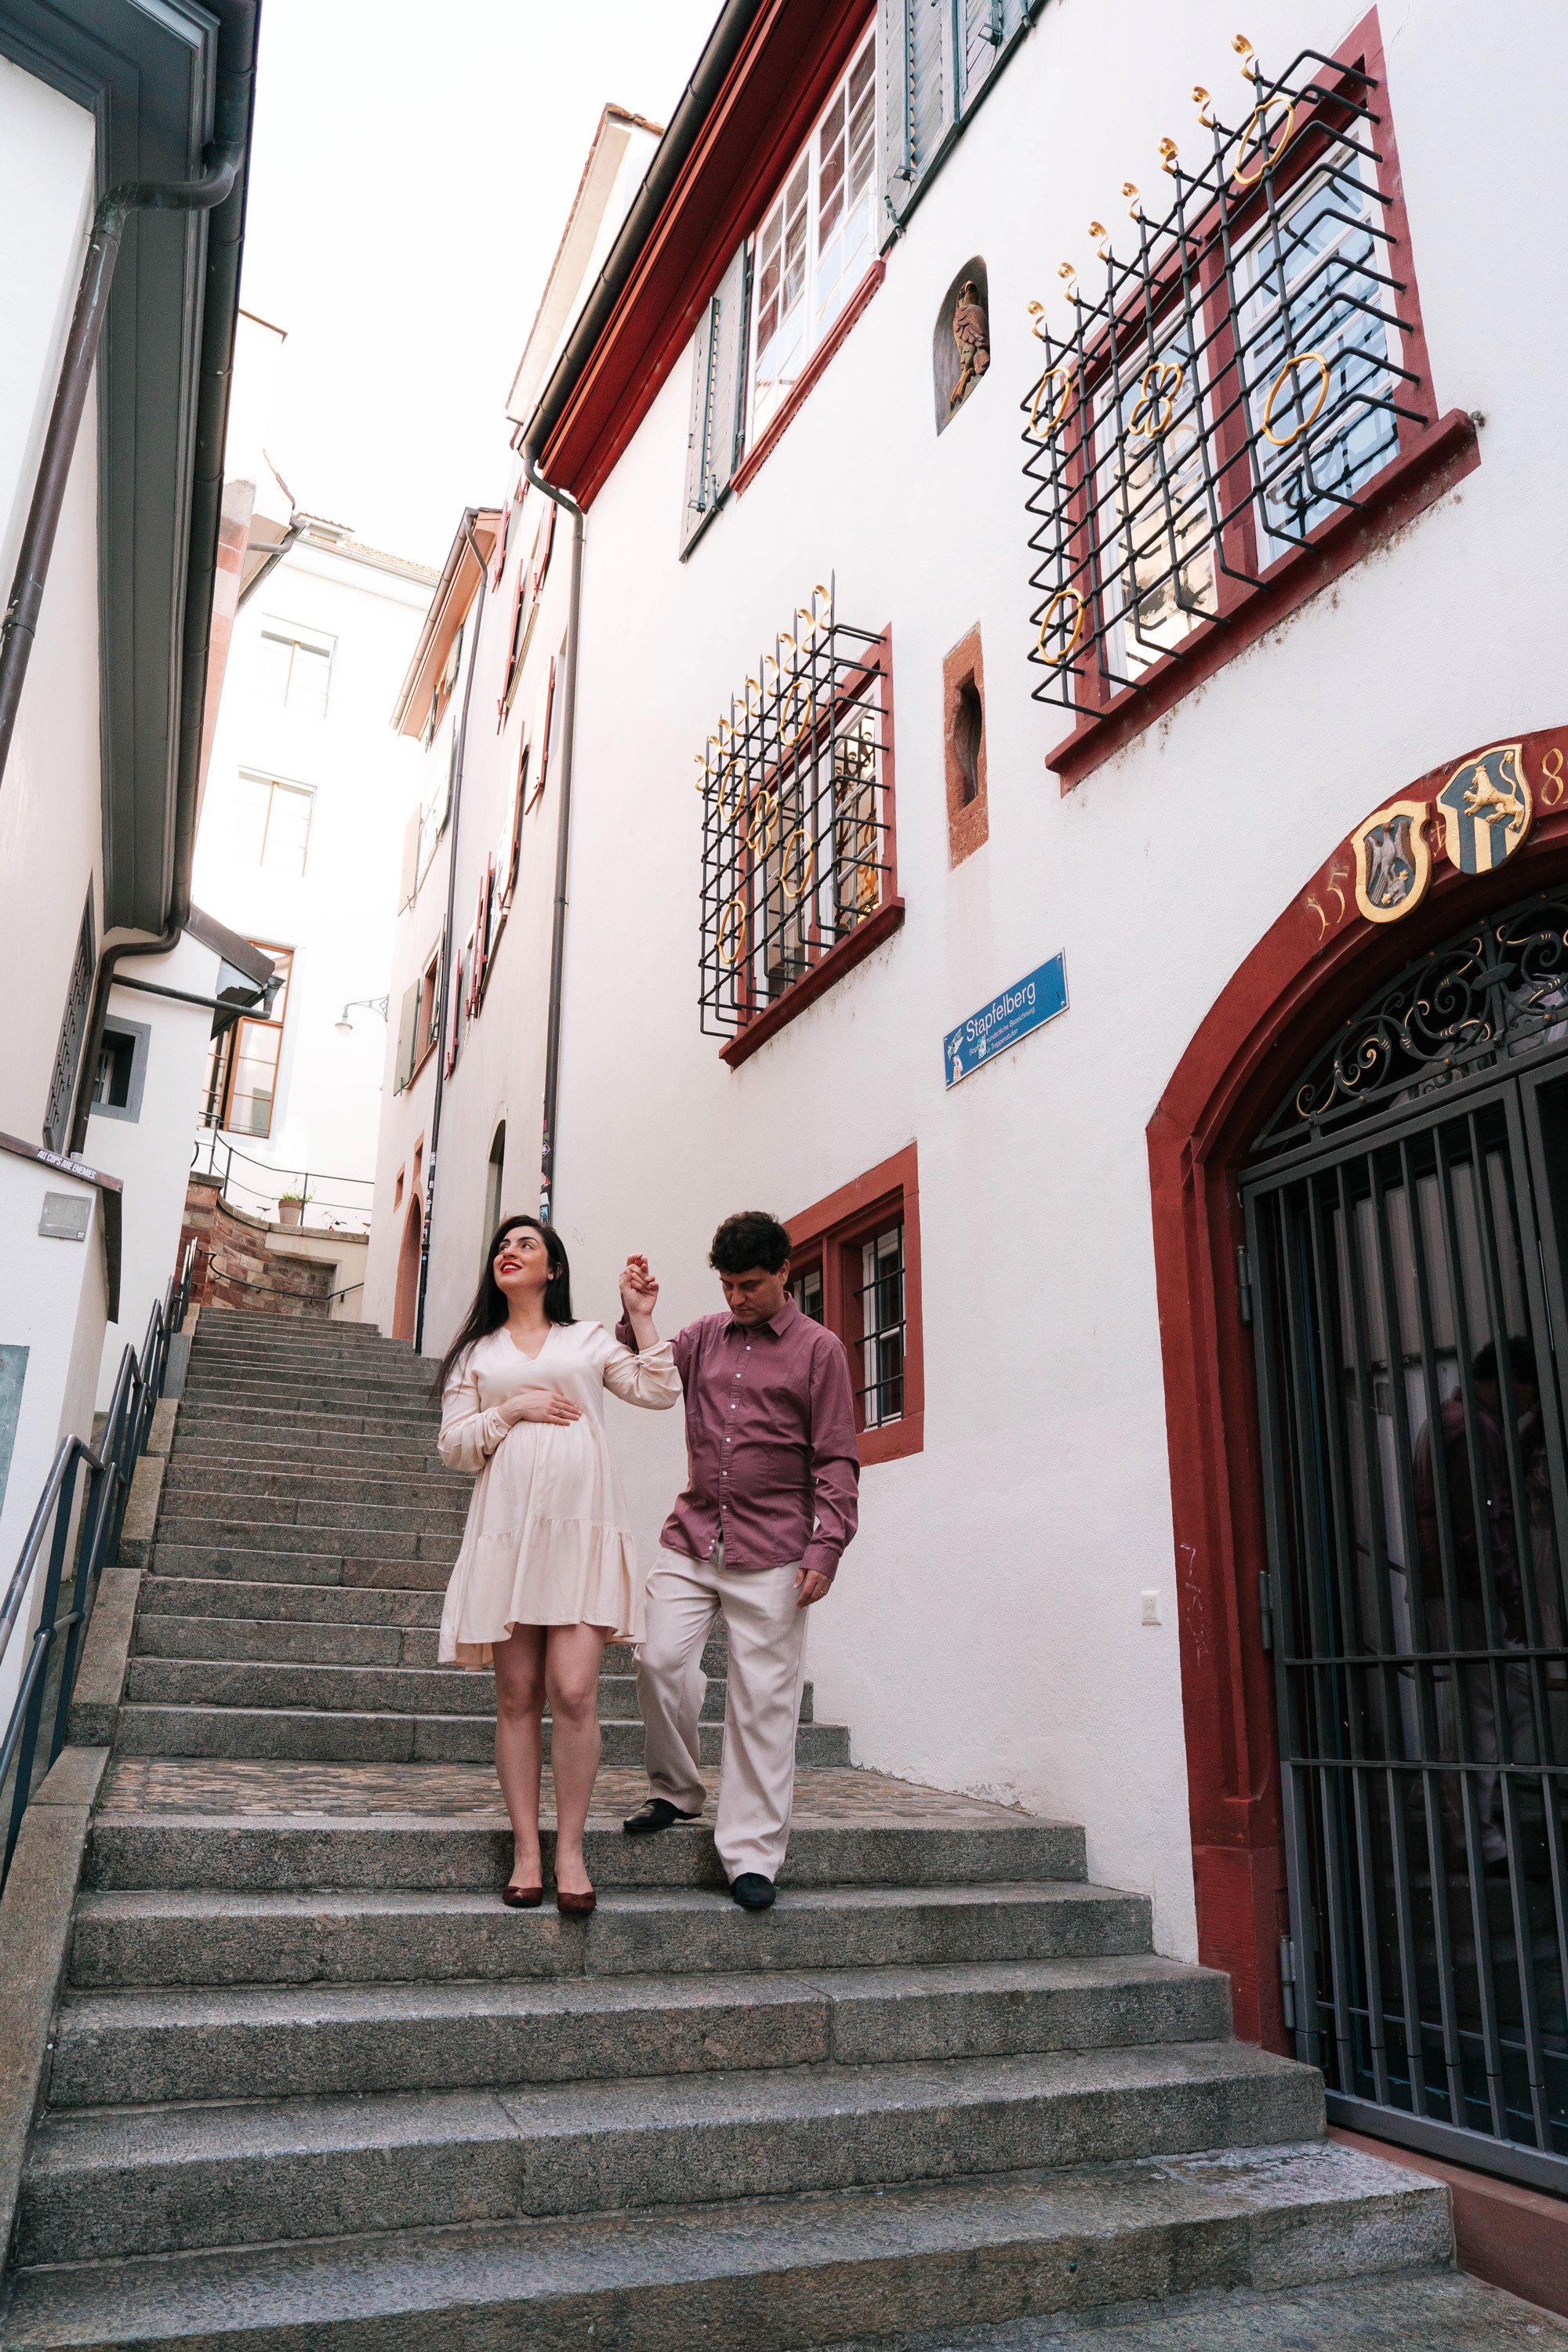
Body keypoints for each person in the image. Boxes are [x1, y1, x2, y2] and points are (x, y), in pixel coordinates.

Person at [434, 1215, 681, 1914]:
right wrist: (512, 1409)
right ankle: (526, 1849)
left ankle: (570, 1848)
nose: (509, 1252)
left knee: (573, 1692)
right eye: (502, 1246)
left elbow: (659, 1391)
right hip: (508, 1535)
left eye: (526, 1245)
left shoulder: (587, 1339)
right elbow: (453, 1447)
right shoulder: (476, 1353)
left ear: (554, 1269)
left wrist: (641, 1316)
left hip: (581, 1531)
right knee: (517, 1697)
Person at [615, 1209, 859, 1910]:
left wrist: (827, 1544)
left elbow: (837, 1456)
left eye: (749, 1284)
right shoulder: (701, 1336)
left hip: (776, 1551)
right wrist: (636, 1315)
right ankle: (677, 1789)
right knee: (658, 1661)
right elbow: (646, 1376)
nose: (737, 1297)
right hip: (693, 1536)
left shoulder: (820, 1351)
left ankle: (751, 1854)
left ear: (785, 1272)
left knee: (763, 1706)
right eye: (726, 1284)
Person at [1412, 1335, 1539, 1867]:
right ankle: (1475, 1835)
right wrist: (1512, 1594)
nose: (1530, 1406)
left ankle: (1471, 1810)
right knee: (1487, 1706)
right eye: (1529, 1392)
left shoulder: (1450, 1420)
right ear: (1510, 1381)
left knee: (1496, 1700)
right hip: (1470, 1587)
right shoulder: (1474, 1428)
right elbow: (1481, 1526)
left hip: (1455, 1583)